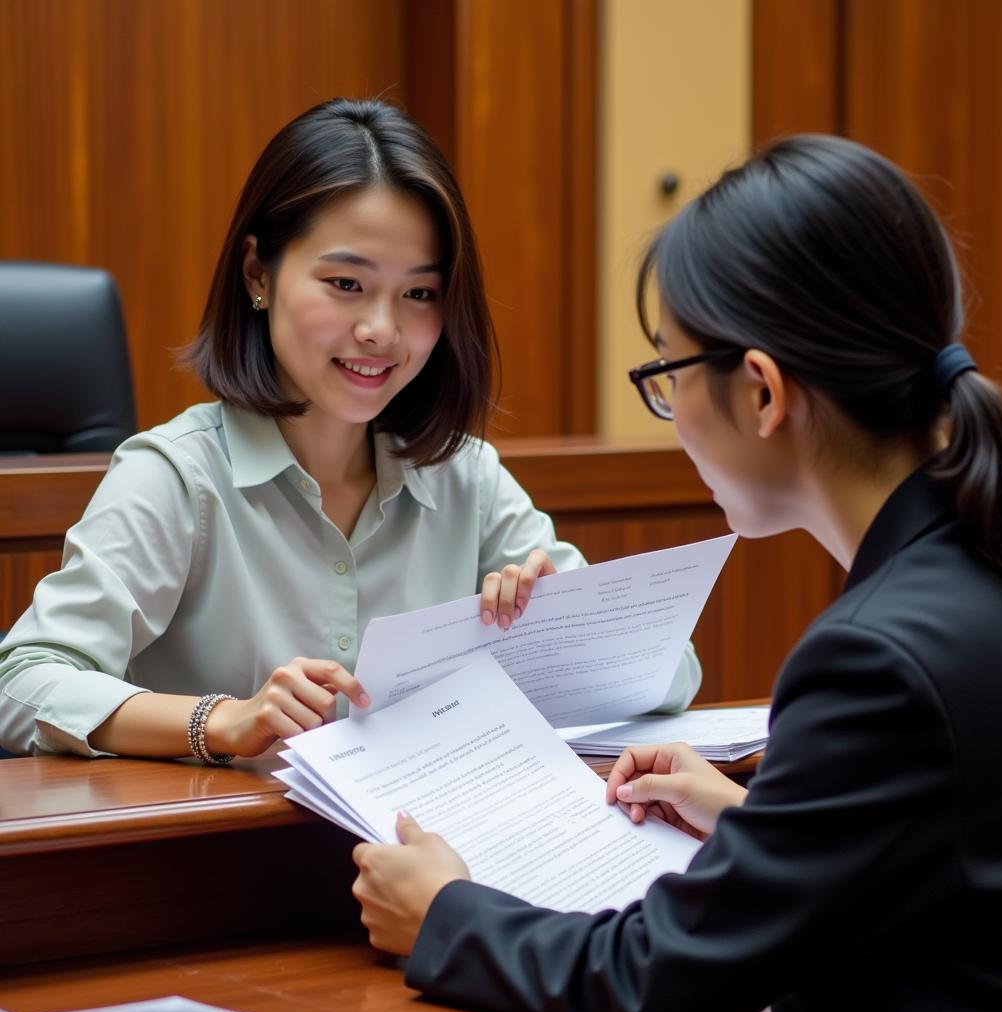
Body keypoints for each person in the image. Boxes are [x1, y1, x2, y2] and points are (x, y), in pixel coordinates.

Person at [351, 134, 1002, 1012]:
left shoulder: (875, 658)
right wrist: (762, 825)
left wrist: (446, 914)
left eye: (667, 373)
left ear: (761, 392)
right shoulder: (978, 566)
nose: (671, 416)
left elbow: (663, 980)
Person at [0, 97, 703, 760]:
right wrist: (219, 720)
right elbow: (23, 681)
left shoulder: (466, 476)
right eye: (346, 284)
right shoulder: (177, 477)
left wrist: (561, 629)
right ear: (259, 273)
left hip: (427, 865)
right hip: (217, 868)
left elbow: (669, 673)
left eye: (419, 294)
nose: (381, 330)